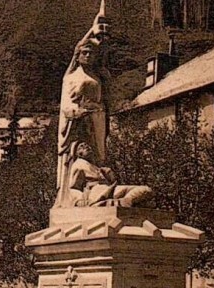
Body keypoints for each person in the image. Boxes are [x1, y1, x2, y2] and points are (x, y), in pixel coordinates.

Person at [55, 13, 110, 207]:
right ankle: (74, 195)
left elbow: (104, 101)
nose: (88, 55)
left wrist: (99, 111)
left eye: (91, 53)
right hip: (77, 122)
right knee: (78, 156)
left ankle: (97, 189)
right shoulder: (70, 77)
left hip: (97, 120)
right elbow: (66, 104)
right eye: (84, 53)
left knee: (97, 157)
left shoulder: (98, 77)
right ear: (77, 57)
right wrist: (75, 112)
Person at [66, 142, 152, 207]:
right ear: (78, 154)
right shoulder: (78, 164)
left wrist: (108, 174)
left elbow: (113, 182)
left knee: (146, 190)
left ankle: (122, 202)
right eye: (82, 147)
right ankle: (117, 203)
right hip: (97, 193)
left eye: (87, 146)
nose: (86, 147)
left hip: (110, 189)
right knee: (145, 191)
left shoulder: (97, 167)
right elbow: (73, 188)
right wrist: (80, 200)